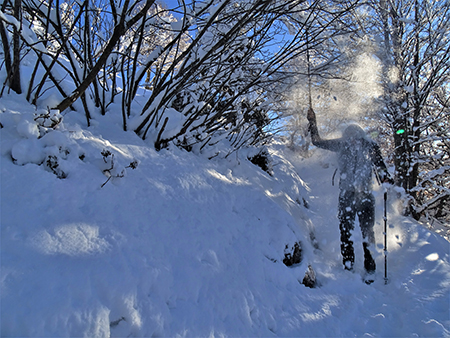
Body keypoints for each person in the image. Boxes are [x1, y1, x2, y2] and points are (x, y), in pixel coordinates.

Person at [307, 108, 392, 278]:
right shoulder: (341, 144)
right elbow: (317, 141)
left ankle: (370, 267)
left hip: (365, 196)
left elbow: (380, 168)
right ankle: (348, 266)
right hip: (346, 196)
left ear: (361, 137)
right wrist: (312, 122)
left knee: (367, 232)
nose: (352, 141)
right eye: (349, 138)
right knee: (346, 232)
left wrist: (386, 178)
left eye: (356, 138)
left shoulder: (370, 146)